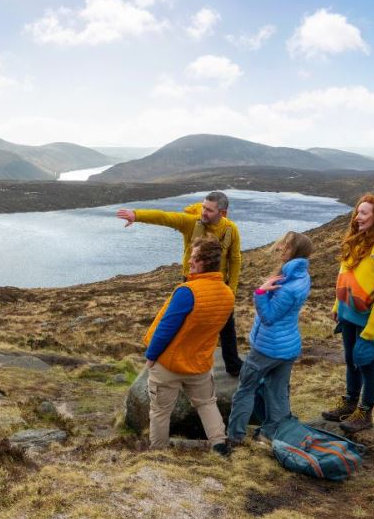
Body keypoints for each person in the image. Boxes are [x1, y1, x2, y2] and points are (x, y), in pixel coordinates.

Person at [118, 191, 244, 376]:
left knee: (227, 328)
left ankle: (233, 366)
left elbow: (235, 259)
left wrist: (231, 289)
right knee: (180, 324)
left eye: (209, 210)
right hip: (192, 283)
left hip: (219, 285)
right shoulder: (191, 223)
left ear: (222, 213)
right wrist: (136, 215)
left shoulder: (231, 230)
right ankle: (172, 360)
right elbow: (165, 217)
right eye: (203, 207)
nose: (203, 212)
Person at [320, 193, 374, 433]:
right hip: (348, 314)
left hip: (371, 320)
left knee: (367, 365)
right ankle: (349, 403)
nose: (358, 217)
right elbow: (345, 274)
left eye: (364, 213)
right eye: (358, 212)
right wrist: (337, 306)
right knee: (351, 361)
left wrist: (372, 328)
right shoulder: (356, 240)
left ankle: (365, 413)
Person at [142, 237, 235, 456]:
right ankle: (219, 445)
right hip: (200, 364)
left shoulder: (187, 292)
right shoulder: (227, 294)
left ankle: (158, 453)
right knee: (207, 404)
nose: (190, 261)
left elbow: (166, 328)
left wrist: (151, 356)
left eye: (194, 258)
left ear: (205, 262)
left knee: (160, 411)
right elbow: (226, 332)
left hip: (169, 364)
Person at [226, 231, 314, 451]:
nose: (280, 248)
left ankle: (235, 437)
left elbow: (269, 317)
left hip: (268, 348)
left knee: (245, 389)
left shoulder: (287, 286)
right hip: (288, 346)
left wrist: (260, 292)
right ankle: (269, 434)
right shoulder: (301, 276)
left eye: (286, 246)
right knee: (277, 392)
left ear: (295, 251)